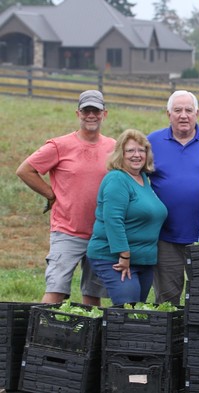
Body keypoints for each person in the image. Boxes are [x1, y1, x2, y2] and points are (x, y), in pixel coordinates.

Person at [15, 90, 114, 306]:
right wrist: (51, 194)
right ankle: (41, 336)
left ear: (104, 114)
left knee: (92, 294)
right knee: (55, 290)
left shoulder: (113, 147)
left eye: (96, 111)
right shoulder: (59, 145)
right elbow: (25, 170)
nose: (91, 115)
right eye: (86, 110)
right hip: (67, 231)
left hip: (100, 233)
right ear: (78, 113)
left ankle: (88, 338)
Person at [148, 90, 199, 304]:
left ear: (197, 113)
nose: (183, 115)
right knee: (166, 299)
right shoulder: (153, 141)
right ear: (168, 114)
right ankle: (171, 337)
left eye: (188, 110)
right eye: (178, 110)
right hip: (165, 237)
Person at [87, 129, 167, 305]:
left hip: (143, 260)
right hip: (115, 259)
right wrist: (124, 255)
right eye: (130, 150)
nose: (136, 155)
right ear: (120, 154)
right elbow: (113, 220)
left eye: (141, 150)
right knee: (127, 310)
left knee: (137, 313)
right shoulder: (117, 179)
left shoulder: (144, 179)